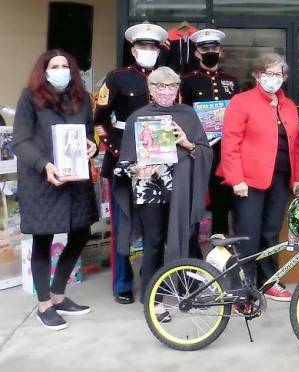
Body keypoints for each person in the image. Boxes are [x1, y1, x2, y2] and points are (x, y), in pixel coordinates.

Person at [112, 67, 212, 314]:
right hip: (149, 191)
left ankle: (187, 291)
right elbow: (123, 164)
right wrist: (137, 169)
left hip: (181, 190)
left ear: (178, 88)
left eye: (171, 86)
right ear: (151, 89)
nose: (166, 91)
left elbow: (205, 151)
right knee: (154, 243)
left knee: (185, 239)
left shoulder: (188, 114)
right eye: (160, 86)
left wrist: (186, 142)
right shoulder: (138, 118)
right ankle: (153, 299)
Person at [12, 50, 99, 330]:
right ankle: (44, 304)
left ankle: (59, 295)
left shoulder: (82, 98)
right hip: (43, 178)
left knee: (81, 232)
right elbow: (21, 140)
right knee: (43, 238)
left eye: (65, 66)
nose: (60, 70)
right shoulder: (30, 97)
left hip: (76, 179)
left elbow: (87, 132)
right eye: (54, 66)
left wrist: (92, 145)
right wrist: (44, 165)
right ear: (44, 70)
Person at [218, 54, 299, 301]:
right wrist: (236, 179)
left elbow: (295, 146)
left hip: (279, 179)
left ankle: (268, 281)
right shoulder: (241, 101)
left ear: (284, 78)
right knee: (248, 234)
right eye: (268, 73)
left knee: (270, 232)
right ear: (257, 75)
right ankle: (242, 288)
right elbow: (230, 142)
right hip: (248, 181)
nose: (273, 79)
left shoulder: (288, 105)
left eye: (278, 74)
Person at [93, 22, 168, 304]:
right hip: (123, 161)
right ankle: (122, 282)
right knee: (124, 224)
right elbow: (99, 120)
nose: (148, 51)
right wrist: (119, 152)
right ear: (133, 49)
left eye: (153, 47)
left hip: (160, 164)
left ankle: (157, 280)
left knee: (156, 229)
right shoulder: (117, 77)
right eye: (143, 46)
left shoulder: (167, 79)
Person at [181, 29, 241, 238]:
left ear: (220, 51)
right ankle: (192, 249)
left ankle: (220, 246)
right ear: (197, 52)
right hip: (197, 148)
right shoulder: (187, 81)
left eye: (214, 48)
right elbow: (182, 114)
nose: (210, 52)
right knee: (194, 198)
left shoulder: (231, 81)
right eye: (205, 49)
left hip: (225, 150)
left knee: (222, 200)